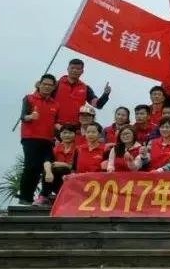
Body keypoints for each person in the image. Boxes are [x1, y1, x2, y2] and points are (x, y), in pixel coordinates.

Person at [18, 74, 60, 206]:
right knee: (31, 167)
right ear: (39, 84)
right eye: (45, 84)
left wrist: (59, 127)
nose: (47, 87)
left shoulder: (55, 104)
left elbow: (55, 122)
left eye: (50, 85)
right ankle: (25, 198)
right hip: (31, 138)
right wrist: (31, 116)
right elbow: (23, 116)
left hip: (48, 140)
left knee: (48, 167)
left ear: (54, 87)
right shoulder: (29, 98)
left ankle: (43, 196)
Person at [52, 59, 110, 127]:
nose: (74, 70)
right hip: (54, 124)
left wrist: (105, 94)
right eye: (72, 68)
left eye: (78, 69)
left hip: (75, 127)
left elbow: (98, 105)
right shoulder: (56, 84)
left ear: (82, 71)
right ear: (68, 69)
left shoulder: (85, 88)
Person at [39, 124, 76, 205]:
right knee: (48, 170)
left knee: (61, 169)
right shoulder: (55, 149)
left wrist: (64, 164)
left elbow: (76, 167)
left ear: (75, 134)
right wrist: (48, 173)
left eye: (70, 133)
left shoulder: (78, 149)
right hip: (57, 180)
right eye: (65, 133)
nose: (67, 135)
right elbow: (47, 162)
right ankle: (44, 196)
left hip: (72, 180)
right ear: (60, 134)